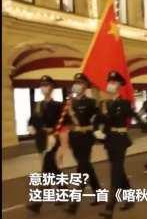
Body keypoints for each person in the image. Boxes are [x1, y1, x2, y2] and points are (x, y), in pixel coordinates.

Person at [96, 71, 139, 219]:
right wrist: (97, 132)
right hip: (109, 140)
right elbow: (99, 121)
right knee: (119, 171)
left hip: (120, 141)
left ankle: (110, 207)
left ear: (120, 85)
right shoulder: (103, 104)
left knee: (114, 172)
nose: (110, 85)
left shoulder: (125, 103)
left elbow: (134, 116)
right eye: (110, 82)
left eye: (114, 83)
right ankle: (130, 197)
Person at [64, 73, 102, 214]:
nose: (77, 85)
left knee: (82, 169)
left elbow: (97, 122)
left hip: (86, 138)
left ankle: (74, 202)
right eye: (75, 82)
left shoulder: (91, 102)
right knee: (86, 165)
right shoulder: (69, 103)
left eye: (80, 82)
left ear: (85, 86)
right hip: (74, 139)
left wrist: (85, 128)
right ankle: (99, 193)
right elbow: (65, 122)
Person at [26, 75, 63, 214]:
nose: (44, 87)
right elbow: (32, 120)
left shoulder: (58, 105)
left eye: (46, 85)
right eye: (42, 85)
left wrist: (55, 133)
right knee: (53, 169)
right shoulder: (37, 105)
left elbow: (62, 124)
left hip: (53, 141)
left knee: (46, 171)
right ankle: (64, 193)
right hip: (41, 141)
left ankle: (37, 203)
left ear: (52, 88)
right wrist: (30, 126)